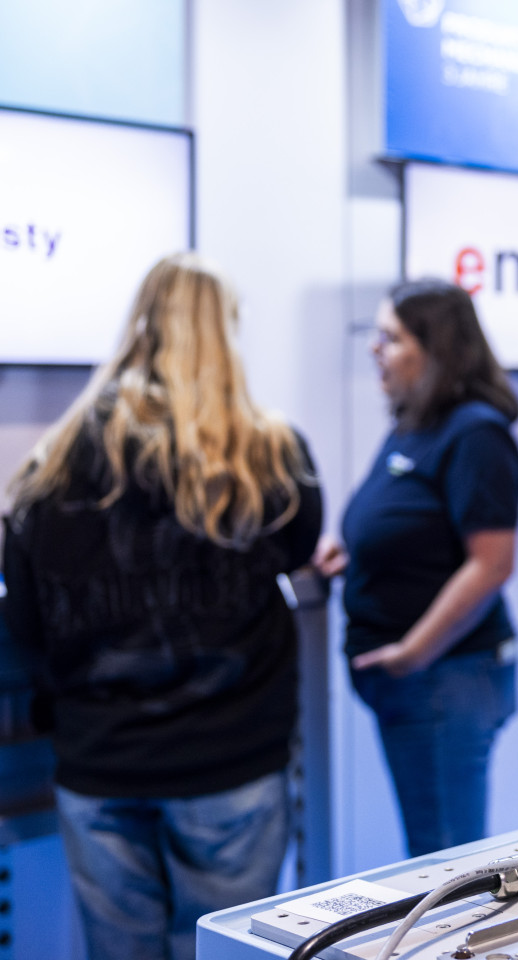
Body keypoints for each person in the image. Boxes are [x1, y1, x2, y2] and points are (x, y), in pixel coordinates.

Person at [1, 253, 322, 960]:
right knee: (227, 953)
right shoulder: (268, 455)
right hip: (232, 763)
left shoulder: (52, 464)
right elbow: (299, 549)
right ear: (223, 335)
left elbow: (25, 621)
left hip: (100, 763)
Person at [314, 279, 518, 857]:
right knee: (432, 850)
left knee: (447, 860)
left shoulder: (476, 433)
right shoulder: (416, 424)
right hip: (420, 684)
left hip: (445, 678)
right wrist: (356, 553)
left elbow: (491, 564)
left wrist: (414, 653)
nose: (373, 349)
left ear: (436, 349)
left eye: (390, 338)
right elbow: (415, 529)